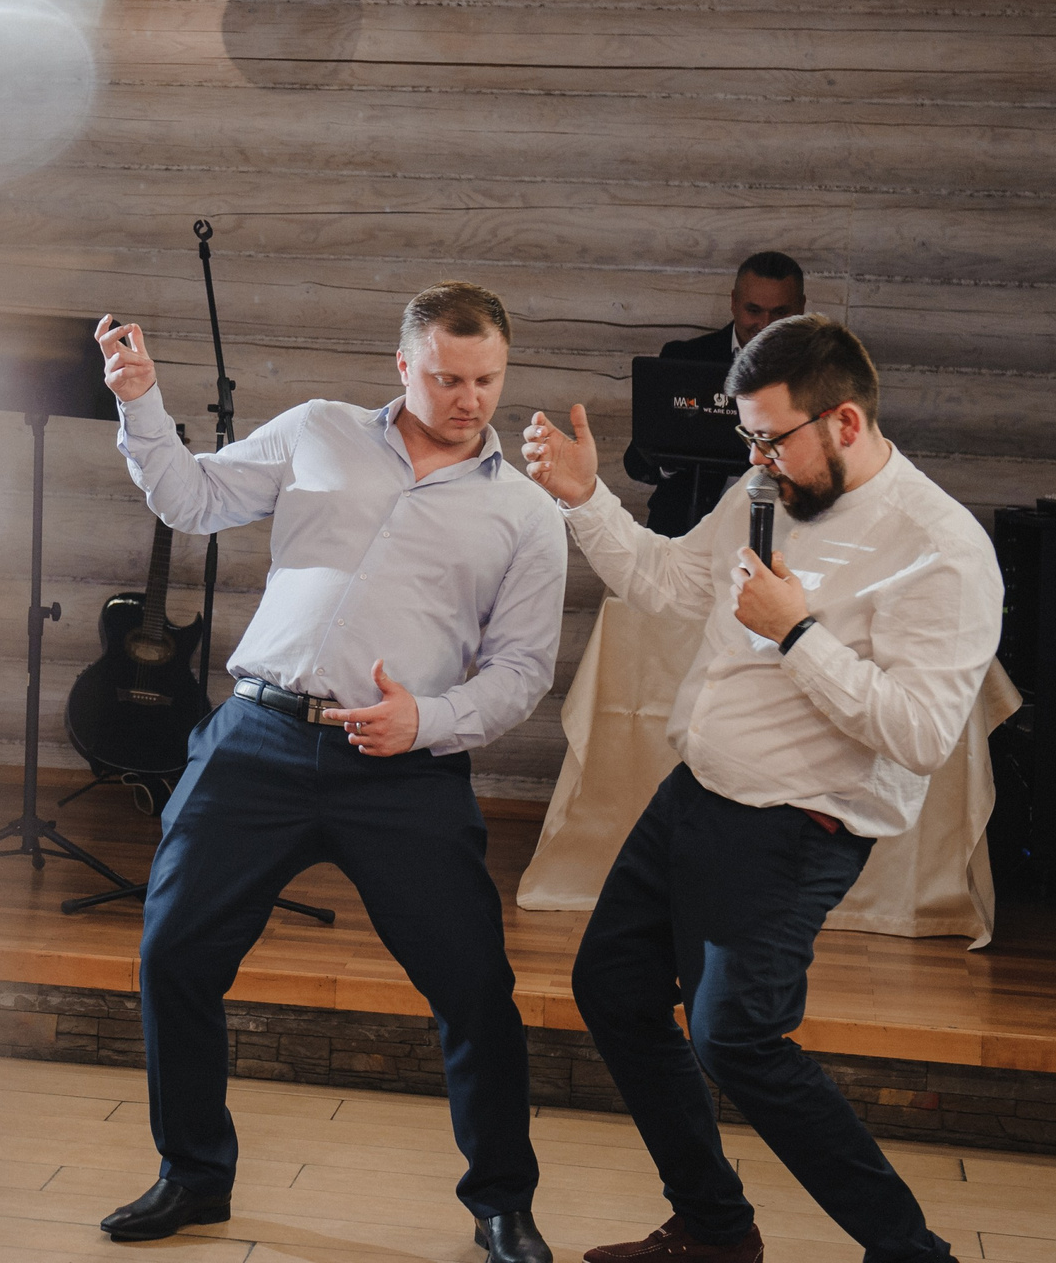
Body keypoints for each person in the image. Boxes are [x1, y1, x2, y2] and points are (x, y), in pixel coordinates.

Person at [92, 285, 566, 1262]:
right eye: (445, 377)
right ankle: (192, 1175)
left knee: (474, 989)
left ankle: (501, 1204)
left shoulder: (525, 514)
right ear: (403, 365)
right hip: (256, 743)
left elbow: (519, 675)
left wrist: (424, 721)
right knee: (171, 955)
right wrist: (140, 399)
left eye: (485, 380)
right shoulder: (317, 430)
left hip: (405, 770)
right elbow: (192, 499)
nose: (467, 397)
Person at [519, 316, 1001, 1263]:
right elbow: (668, 584)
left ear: (847, 423)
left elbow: (919, 732)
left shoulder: (942, 551)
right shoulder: (763, 488)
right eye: (748, 439)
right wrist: (584, 501)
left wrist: (798, 634)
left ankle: (912, 1254)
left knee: (736, 1040)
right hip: (696, 795)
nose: (757, 459)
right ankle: (714, 1228)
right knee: (611, 990)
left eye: (772, 438)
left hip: (797, 826)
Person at [620, 252, 806, 537]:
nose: (766, 324)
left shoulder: (819, 373)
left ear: (802, 308)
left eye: (781, 312)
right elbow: (636, 462)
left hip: (779, 537)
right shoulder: (684, 358)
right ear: (733, 303)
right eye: (754, 310)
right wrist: (672, 457)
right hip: (683, 532)